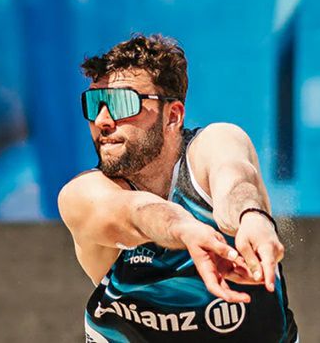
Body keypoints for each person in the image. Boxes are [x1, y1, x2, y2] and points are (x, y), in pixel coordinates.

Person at [58, 34, 298, 342]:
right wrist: (185, 230)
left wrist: (252, 217)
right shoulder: (83, 194)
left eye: (121, 103)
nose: (103, 120)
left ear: (173, 116)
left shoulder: (214, 143)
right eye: (94, 104)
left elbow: (235, 178)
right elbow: (136, 212)